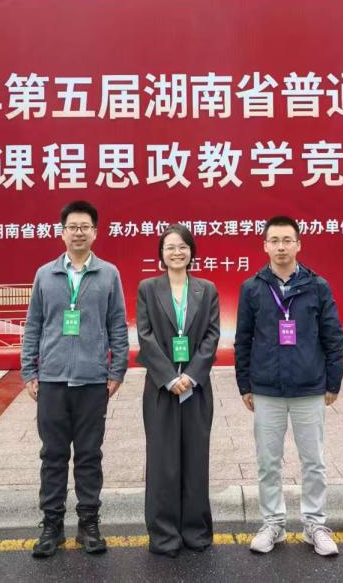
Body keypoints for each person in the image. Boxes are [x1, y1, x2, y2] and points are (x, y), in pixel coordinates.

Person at [21, 200, 129, 559]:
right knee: (52, 455)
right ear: (62, 232)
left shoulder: (109, 274)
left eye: (85, 227)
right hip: (51, 382)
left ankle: (89, 525)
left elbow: (117, 325)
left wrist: (116, 371)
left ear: (95, 232)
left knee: (88, 455)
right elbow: (33, 326)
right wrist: (29, 371)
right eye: (72, 227)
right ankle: (52, 526)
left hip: (92, 382)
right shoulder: (45, 274)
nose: (78, 233)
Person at [234, 216, 343, 557]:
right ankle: (273, 524)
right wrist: (244, 384)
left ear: (298, 244)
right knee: (268, 462)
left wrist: (333, 381)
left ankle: (315, 525)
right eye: (274, 241)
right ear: (264, 246)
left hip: (309, 388)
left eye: (287, 240)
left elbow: (333, 336)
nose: (281, 247)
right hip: (266, 389)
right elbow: (243, 339)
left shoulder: (317, 286)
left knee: (313, 462)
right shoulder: (252, 288)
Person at [136, 224, 221, 557]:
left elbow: (212, 336)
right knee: (163, 462)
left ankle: (195, 531)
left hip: (196, 389)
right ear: (161, 253)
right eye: (170, 247)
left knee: (195, 459)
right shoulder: (148, 288)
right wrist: (171, 378)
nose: (176, 252)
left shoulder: (206, 289)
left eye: (183, 247)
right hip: (162, 389)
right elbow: (145, 336)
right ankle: (164, 535)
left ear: (191, 252)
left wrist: (192, 375)